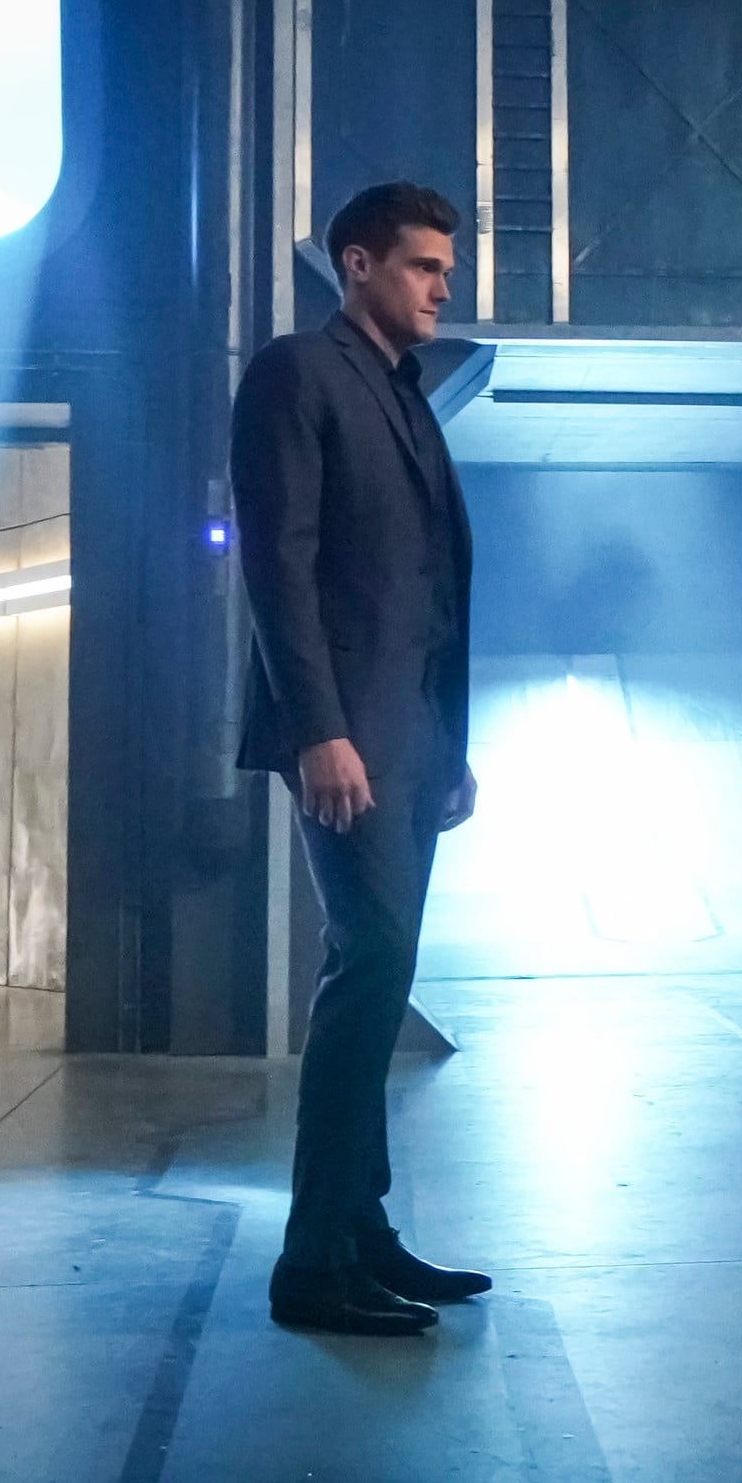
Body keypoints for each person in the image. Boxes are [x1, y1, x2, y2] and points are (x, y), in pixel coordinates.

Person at [232, 181, 492, 1336]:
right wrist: (317, 726)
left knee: (384, 972)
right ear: (358, 264)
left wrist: (452, 745)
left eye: (445, 268)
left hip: (414, 734)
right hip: (347, 728)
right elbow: (277, 564)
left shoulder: (406, 394)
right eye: (425, 265)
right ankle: (311, 1261)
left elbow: (434, 586)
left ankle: (364, 1230)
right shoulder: (298, 373)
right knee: (371, 959)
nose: (443, 285)